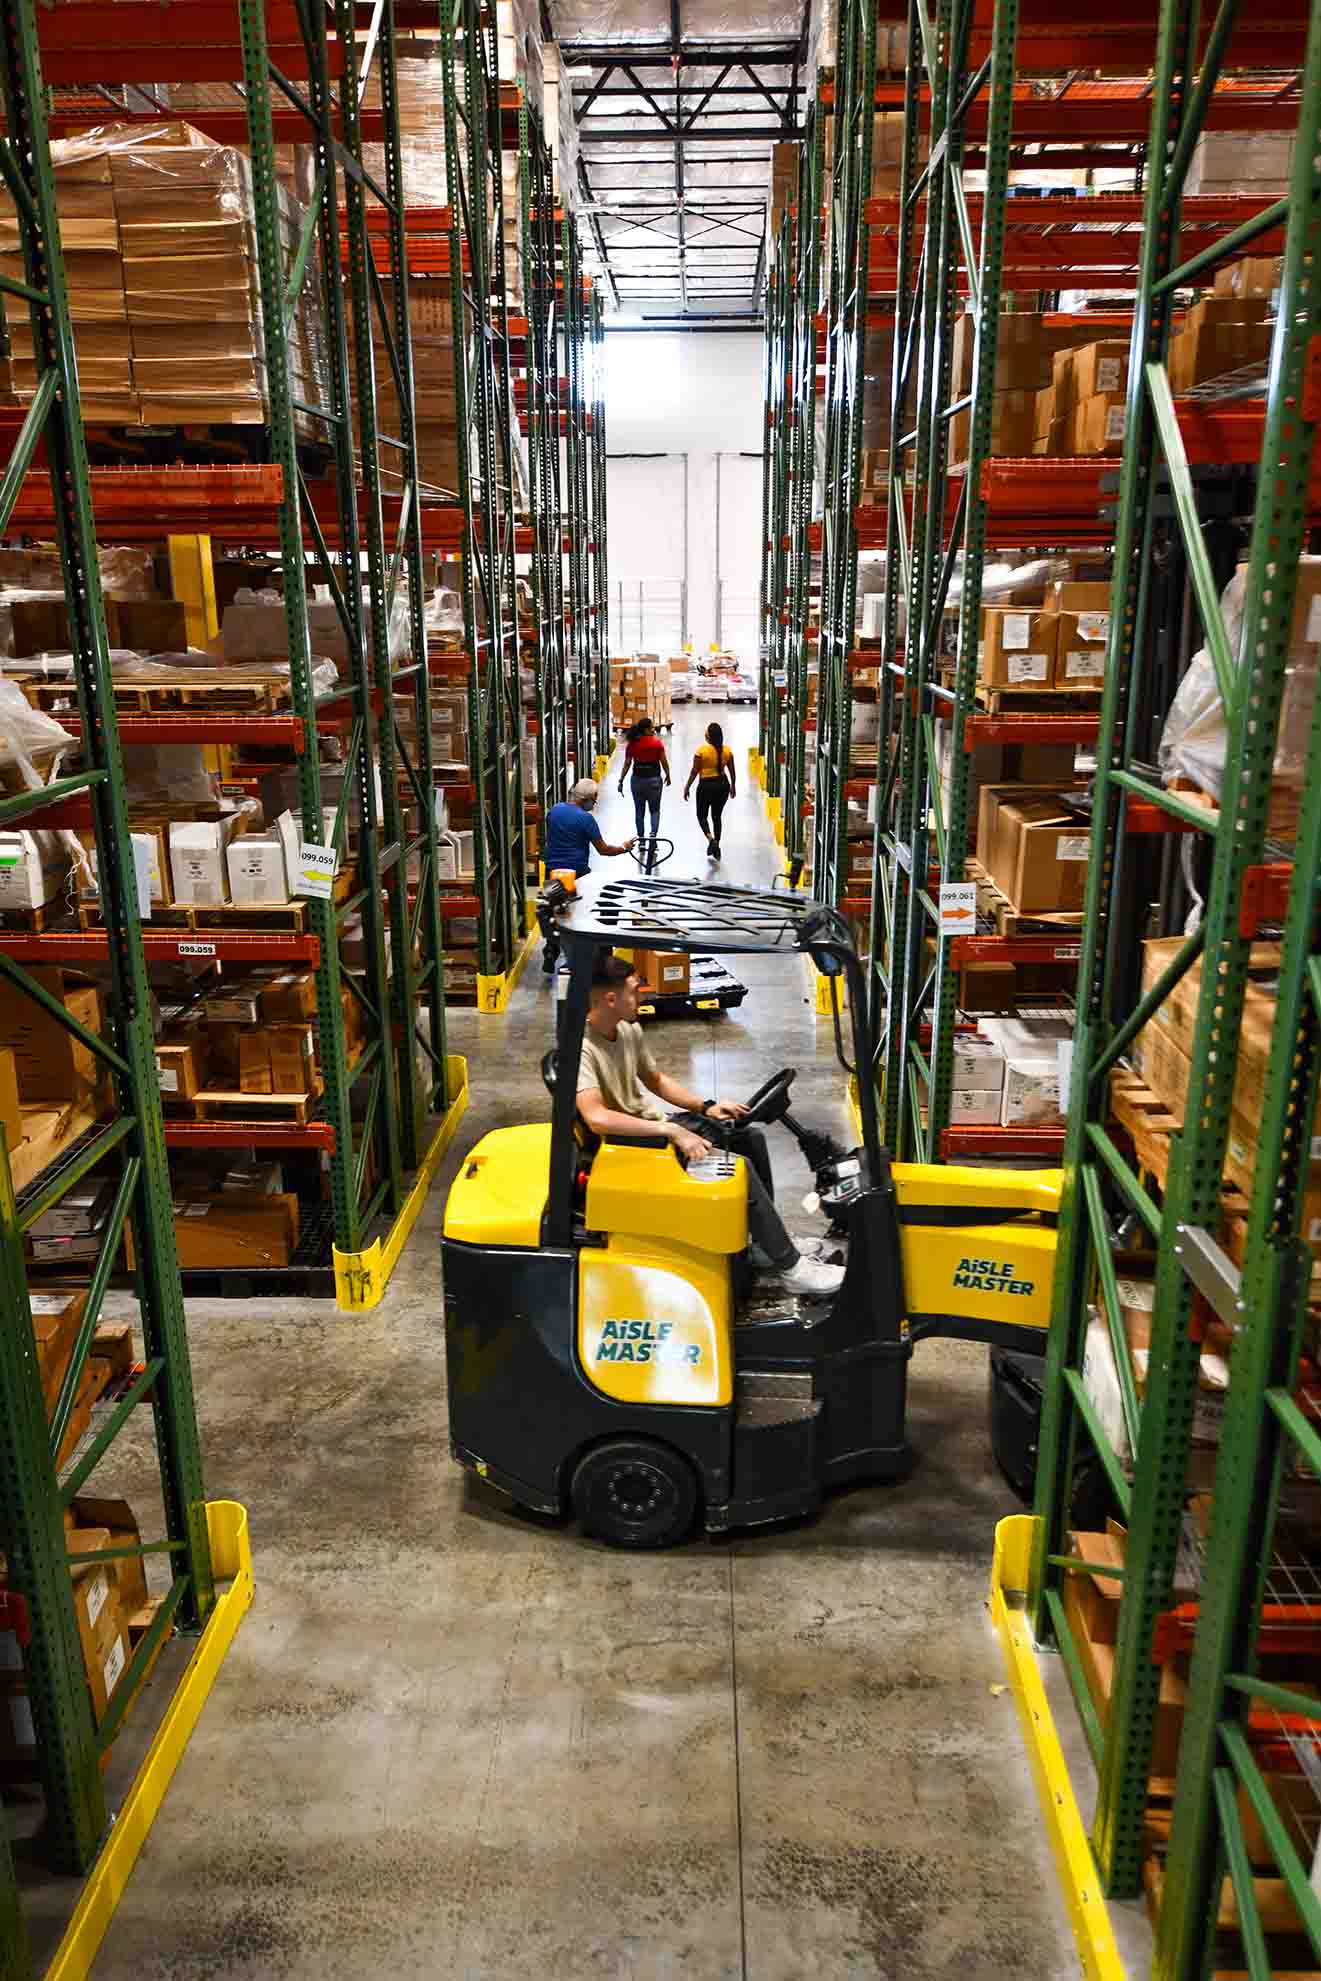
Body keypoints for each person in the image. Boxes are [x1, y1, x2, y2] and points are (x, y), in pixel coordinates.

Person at [575, 954, 845, 1297]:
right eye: (634, 991)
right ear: (610, 999)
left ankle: (764, 1245)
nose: (642, 995)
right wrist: (672, 1130)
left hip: (652, 1127)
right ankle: (791, 1268)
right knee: (739, 1169)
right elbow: (596, 1117)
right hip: (629, 1144)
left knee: (748, 1136)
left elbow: (656, 1080)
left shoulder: (628, 1029)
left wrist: (707, 1106)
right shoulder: (582, 1047)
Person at [541, 779, 634, 973]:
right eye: (594, 799)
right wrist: (624, 848)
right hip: (577, 874)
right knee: (581, 912)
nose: (595, 803)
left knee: (555, 910)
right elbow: (604, 849)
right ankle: (584, 955)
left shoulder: (555, 810)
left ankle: (551, 950)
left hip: (552, 871)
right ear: (587, 799)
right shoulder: (586, 819)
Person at [683, 721, 736, 861]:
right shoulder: (727, 751)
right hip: (723, 785)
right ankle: (717, 844)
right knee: (716, 816)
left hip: (706, 786)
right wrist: (733, 786)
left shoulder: (701, 751)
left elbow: (695, 771)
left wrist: (687, 786)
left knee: (701, 815)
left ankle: (711, 840)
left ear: (709, 736)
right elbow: (732, 771)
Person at [617, 715, 671, 841]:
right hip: (654, 781)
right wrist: (668, 774)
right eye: (651, 727)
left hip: (637, 781)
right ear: (646, 730)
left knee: (639, 811)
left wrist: (621, 780)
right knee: (655, 810)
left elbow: (627, 763)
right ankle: (653, 836)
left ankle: (641, 839)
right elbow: (664, 761)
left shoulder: (632, 744)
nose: (653, 729)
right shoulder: (657, 743)